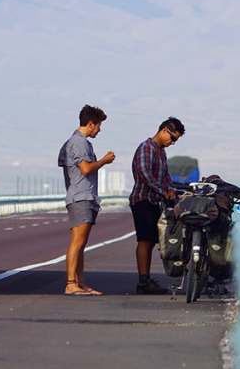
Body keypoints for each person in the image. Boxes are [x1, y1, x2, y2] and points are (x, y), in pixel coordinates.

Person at [58, 104, 115, 296]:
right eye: (98, 126)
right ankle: (71, 283)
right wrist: (104, 161)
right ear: (90, 124)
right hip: (80, 197)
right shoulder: (78, 142)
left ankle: (80, 283)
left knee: (81, 243)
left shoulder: (77, 142)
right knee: (77, 242)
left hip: (84, 196)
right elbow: (85, 168)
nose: (99, 130)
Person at [129, 116, 184, 294]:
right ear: (164, 131)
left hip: (154, 201)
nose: (173, 143)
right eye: (173, 138)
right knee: (145, 240)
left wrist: (171, 190)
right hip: (143, 199)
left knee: (152, 240)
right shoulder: (147, 147)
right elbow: (143, 172)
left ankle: (145, 280)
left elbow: (166, 175)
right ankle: (143, 282)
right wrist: (161, 190)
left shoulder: (161, 151)